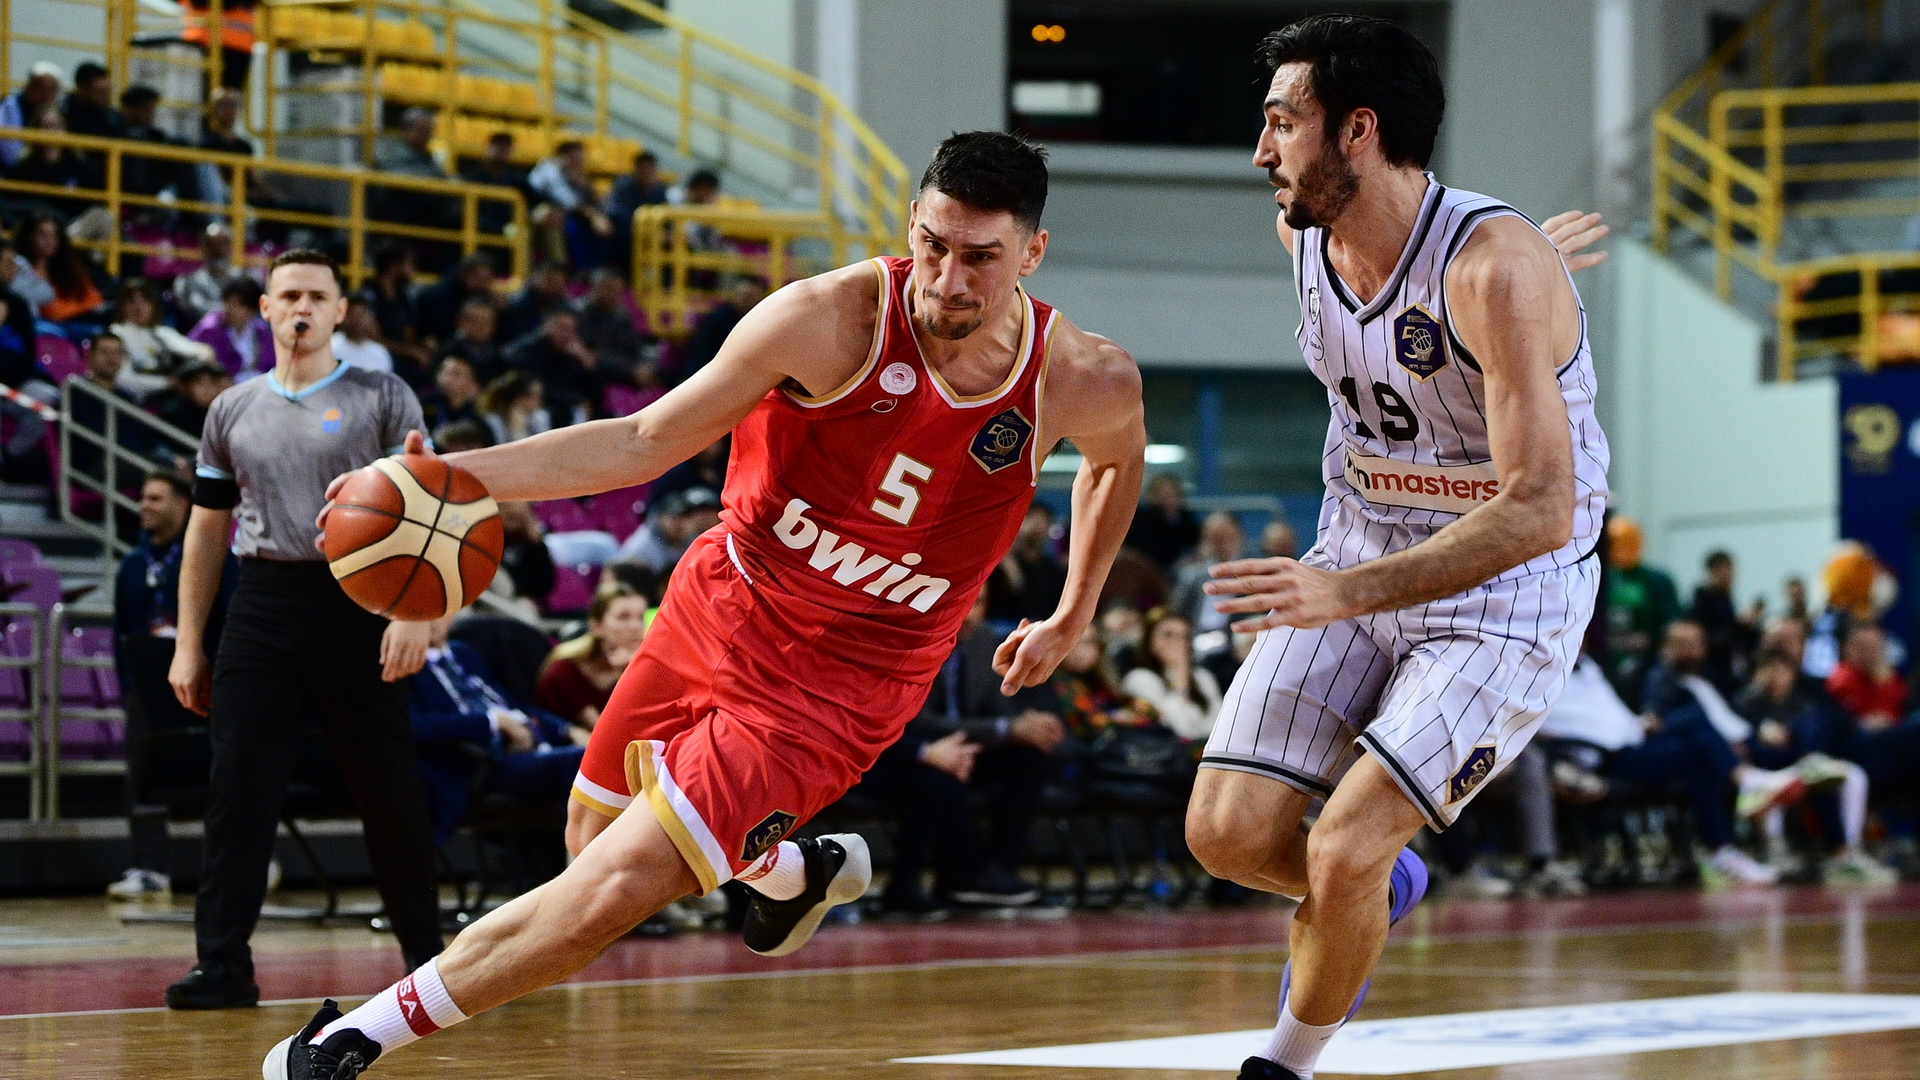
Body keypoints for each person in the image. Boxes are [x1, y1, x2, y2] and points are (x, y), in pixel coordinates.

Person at [269, 130, 1146, 1078]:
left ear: (1032, 253)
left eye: (981, 258)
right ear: (910, 226)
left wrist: (1074, 611)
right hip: (720, 600)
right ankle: (789, 870)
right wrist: (448, 475)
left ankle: (346, 1041)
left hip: (840, 683)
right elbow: (644, 439)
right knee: (589, 842)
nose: (949, 279)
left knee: (611, 891)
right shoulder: (823, 319)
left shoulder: (1080, 376)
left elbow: (1116, 464)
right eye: (934, 246)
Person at [1180, 20, 1614, 1080]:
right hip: (1363, 548)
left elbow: (1539, 511)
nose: (1261, 151)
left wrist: (1526, 274)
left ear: (1358, 130)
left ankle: (1284, 1066)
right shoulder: (1304, 238)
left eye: (1282, 123)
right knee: (1225, 836)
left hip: (1508, 591)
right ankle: (1382, 888)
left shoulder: (1496, 269)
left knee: (1343, 847)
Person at [164, 249, 443, 1010]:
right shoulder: (231, 408)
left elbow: (429, 504)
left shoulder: (382, 395)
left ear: (340, 311)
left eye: (318, 296)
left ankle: (427, 957)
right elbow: (205, 528)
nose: (303, 307)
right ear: (265, 308)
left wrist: (415, 611)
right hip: (262, 600)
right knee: (238, 786)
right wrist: (189, 642)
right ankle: (223, 963)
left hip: (360, 598)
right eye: (289, 295)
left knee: (387, 786)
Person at [108, 471, 238, 899]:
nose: (144, 505)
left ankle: (241, 862)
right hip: (148, 688)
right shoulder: (132, 566)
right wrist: (129, 688)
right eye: (143, 497)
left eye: (156, 498)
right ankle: (149, 867)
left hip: (208, 681)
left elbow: (231, 618)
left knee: (227, 771)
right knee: (141, 773)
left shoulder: (216, 559)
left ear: (184, 504)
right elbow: (122, 630)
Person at [409, 614, 585, 847]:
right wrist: (492, 722)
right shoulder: (406, 662)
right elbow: (418, 725)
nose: (431, 622)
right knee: (581, 760)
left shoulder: (462, 652)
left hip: (526, 744)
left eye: (437, 614)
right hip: (480, 762)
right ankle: (586, 856)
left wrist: (567, 730)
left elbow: (513, 707)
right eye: (421, 615)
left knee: (597, 752)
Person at [534, 585, 649, 733]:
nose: (636, 626)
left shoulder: (650, 668)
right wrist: (624, 675)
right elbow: (607, 733)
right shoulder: (563, 672)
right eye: (623, 617)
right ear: (597, 627)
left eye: (640, 617)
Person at [1603, 515, 1681, 706]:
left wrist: (1654, 641)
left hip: (1649, 661)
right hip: (1606, 658)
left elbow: (1672, 623)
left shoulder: (1657, 580)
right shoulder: (1601, 578)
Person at [1121, 607, 1221, 742]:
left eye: (1183, 636)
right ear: (1149, 640)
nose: (1177, 642)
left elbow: (1219, 725)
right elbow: (1178, 728)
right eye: (1168, 635)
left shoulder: (1202, 677)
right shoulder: (1139, 679)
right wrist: (1180, 674)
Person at [109, 278, 215, 400]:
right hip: (136, 398)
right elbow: (123, 380)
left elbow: (199, 350)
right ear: (122, 306)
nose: (138, 307)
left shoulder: (161, 333)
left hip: (168, 394)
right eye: (131, 301)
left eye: (144, 301)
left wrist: (204, 355)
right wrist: (167, 383)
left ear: (153, 306)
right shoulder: (115, 333)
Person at [1689, 550, 1761, 695]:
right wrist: (1738, 625)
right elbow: (1708, 637)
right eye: (1725, 572)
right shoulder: (1701, 603)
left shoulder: (1726, 599)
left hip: (1728, 668)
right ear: (1712, 572)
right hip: (1710, 669)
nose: (1730, 577)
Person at [611, 485, 718, 574]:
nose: (680, 524)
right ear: (659, 518)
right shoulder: (641, 546)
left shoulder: (694, 538)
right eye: (674, 518)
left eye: (686, 517)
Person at [187, 277, 272, 380]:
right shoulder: (209, 329)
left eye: (237, 304)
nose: (229, 308)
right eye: (227, 301)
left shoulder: (261, 331)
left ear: (252, 309)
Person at [1126, 474, 1200, 570]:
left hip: (1179, 566)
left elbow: (1193, 544)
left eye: (1172, 493)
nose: (1168, 498)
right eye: (1163, 493)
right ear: (1153, 496)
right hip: (1147, 567)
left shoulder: (1186, 518)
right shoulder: (1141, 519)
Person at [175, 223, 243, 326]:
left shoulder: (244, 279)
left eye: (224, 243)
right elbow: (196, 310)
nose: (218, 250)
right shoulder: (187, 281)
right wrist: (236, 312)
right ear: (203, 248)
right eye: (211, 244)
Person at [0, 63, 62, 167]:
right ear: (29, 86)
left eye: (51, 89)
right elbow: (10, 153)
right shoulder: (9, 107)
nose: (46, 93)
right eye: (40, 87)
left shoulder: (57, 113)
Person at [433, 297, 504, 385]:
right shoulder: (448, 353)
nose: (481, 327)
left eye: (487, 321)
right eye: (475, 321)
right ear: (461, 322)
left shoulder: (498, 355)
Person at [476, 370, 550, 444]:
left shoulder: (540, 417)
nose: (539, 401)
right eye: (532, 396)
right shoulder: (492, 422)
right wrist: (517, 430)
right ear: (516, 398)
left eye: (539, 396)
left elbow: (544, 446)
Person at [419, 355, 487, 436]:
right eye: (444, 372)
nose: (447, 378)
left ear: (471, 382)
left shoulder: (478, 415)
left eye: (456, 374)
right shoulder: (422, 405)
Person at [331, 291, 394, 374]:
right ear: (344, 317)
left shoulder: (380, 353)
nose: (358, 320)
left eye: (362, 314)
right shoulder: (331, 347)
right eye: (353, 315)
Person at [62, 61, 123, 140]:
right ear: (82, 89)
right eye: (99, 92)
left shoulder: (114, 118)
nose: (106, 97)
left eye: (108, 91)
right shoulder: (67, 113)